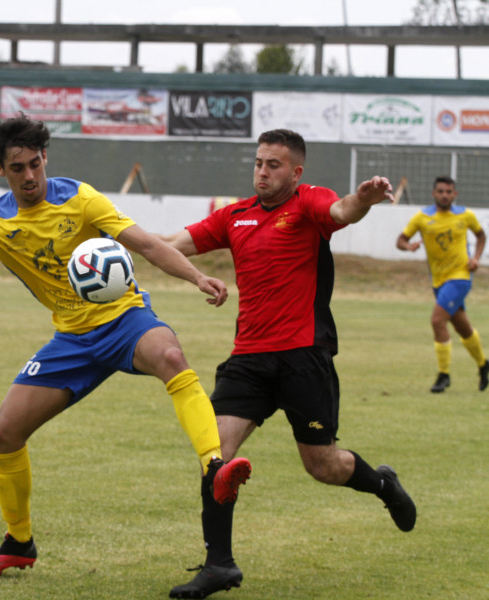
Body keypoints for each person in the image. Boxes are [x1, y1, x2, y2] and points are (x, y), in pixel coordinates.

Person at [0, 114, 252, 582]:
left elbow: (147, 246)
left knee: (172, 357)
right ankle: (18, 543)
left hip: (125, 321)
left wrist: (197, 275)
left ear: (45, 158)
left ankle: (214, 464)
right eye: (18, 168)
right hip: (71, 340)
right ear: (0, 170)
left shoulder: (80, 198)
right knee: (4, 434)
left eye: (35, 164)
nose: (30, 176)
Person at [163, 129, 416, 599]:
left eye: (273, 164)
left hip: (304, 358)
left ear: (295, 171)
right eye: (259, 162)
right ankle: (219, 564)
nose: (263, 171)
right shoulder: (234, 216)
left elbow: (342, 211)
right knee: (214, 453)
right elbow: (170, 244)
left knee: (322, 465)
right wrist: (117, 239)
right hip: (247, 360)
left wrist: (362, 199)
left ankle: (383, 485)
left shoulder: (308, 204)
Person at [396, 175, 489, 393]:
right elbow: (400, 240)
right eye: (441, 191)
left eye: (449, 192)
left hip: (460, 277)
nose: (445, 195)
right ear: (433, 193)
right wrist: (409, 247)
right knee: (462, 327)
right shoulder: (422, 218)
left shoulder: (465, 215)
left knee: (438, 320)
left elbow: (481, 235)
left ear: (454, 194)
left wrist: (475, 258)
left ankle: (443, 375)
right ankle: (484, 365)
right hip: (437, 280)